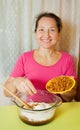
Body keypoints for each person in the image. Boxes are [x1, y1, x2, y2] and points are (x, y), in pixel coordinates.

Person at [4, 12, 77, 102]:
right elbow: (6, 92)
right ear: (35, 33)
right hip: (32, 108)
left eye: (52, 30)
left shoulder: (67, 59)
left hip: (57, 108)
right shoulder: (25, 58)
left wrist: (64, 87)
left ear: (58, 35)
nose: (46, 35)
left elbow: (69, 98)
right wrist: (15, 82)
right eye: (41, 29)